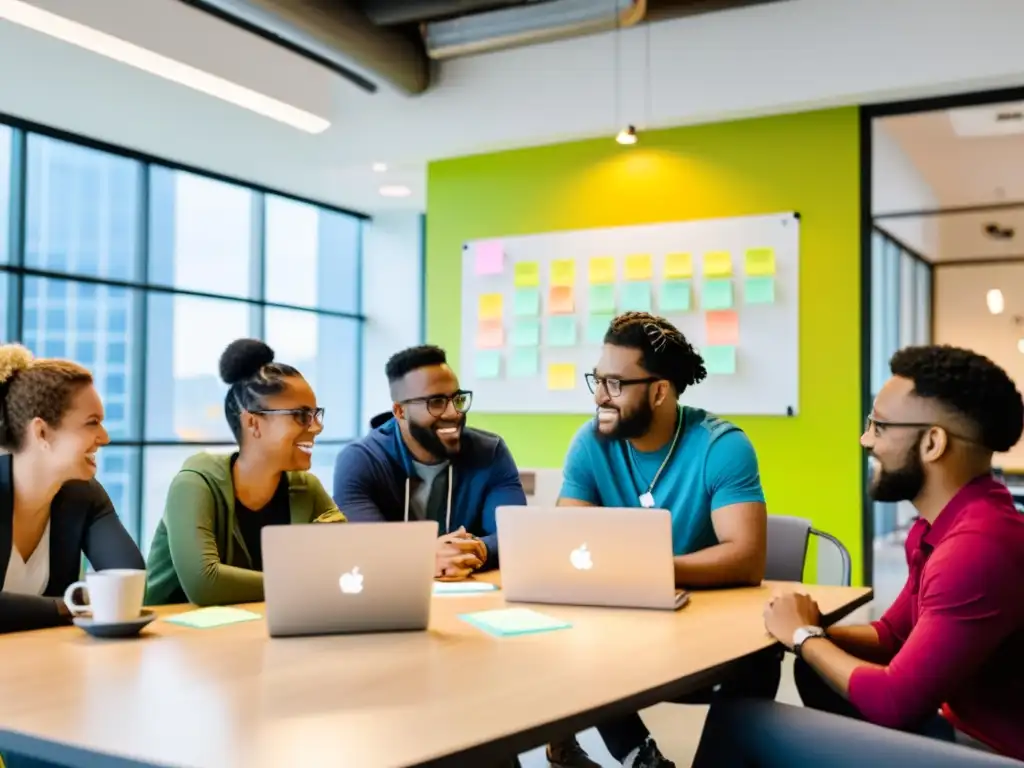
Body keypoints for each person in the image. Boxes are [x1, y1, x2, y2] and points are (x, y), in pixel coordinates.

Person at [693, 344, 1024, 765]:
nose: (865, 440)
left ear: (933, 443)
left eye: (879, 426)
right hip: (962, 727)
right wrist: (802, 631)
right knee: (815, 670)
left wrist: (802, 637)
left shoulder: (976, 550)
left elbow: (893, 701)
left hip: (993, 752)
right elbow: (893, 635)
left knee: (739, 721)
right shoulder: (943, 526)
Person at [546, 312, 774, 768]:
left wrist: (645, 568)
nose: (598, 396)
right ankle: (640, 758)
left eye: (614, 383)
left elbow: (746, 558)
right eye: (597, 379)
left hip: (704, 628)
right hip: (622, 630)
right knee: (570, 634)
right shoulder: (591, 443)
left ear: (658, 390)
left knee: (762, 658)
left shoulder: (721, 445)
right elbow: (567, 542)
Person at [145, 339, 344, 606]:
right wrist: (303, 582)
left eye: (316, 414)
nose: (316, 427)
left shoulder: (306, 488)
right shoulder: (194, 484)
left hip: (258, 630)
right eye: (301, 415)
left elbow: (343, 563)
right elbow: (205, 583)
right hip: (170, 638)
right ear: (253, 423)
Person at [333, 345, 526, 579]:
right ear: (399, 411)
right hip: (390, 594)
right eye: (435, 402)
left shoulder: (491, 452)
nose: (453, 413)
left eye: (457, 399)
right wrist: (425, 556)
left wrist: (479, 550)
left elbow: (515, 535)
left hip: (468, 588)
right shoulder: (361, 460)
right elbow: (365, 545)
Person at [0, 344, 143, 634]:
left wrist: (70, 605)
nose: (104, 437)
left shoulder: (84, 495)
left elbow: (128, 581)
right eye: (92, 423)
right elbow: (100, 599)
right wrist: (68, 606)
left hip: (43, 666)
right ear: (41, 432)